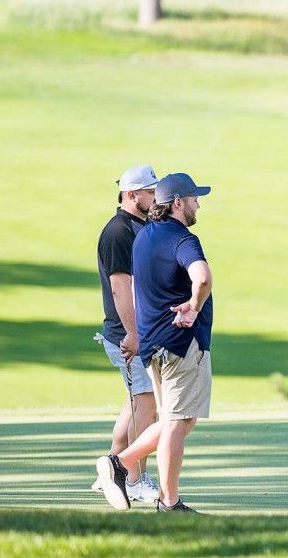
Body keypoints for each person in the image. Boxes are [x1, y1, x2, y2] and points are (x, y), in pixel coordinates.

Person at [95, 172, 213, 513]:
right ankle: (164, 498)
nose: (197, 204)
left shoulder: (144, 236)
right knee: (177, 423)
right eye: (193, 199)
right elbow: (202, 277)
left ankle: (121, 466)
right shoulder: (184, 239)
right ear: (177, 202)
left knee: (178, 420)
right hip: (181, 343)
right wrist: (193, 306)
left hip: (154, 345)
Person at [91, 164, 162, 504]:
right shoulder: (119, 231)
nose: (156, 197)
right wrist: (134, 334)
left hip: (133, 332)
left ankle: (108, 469)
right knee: (147, 407)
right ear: (133, 195)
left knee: (138, 405)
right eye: (151, 192)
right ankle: (133, 479)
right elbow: (122, 288)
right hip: (127, 334)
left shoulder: (138, 226)